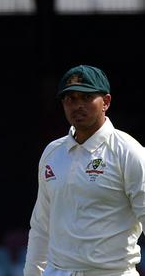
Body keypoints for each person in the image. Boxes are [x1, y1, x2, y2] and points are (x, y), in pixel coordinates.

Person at [24, 65, 145, 276]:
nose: (77, 105)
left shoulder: (129, 152)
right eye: (70, 98)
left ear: (106, 102)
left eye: (86, 97)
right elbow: (42, 226)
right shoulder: (52, 153)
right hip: (58, 272)